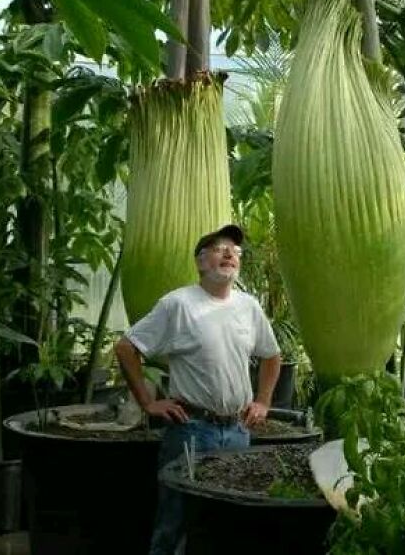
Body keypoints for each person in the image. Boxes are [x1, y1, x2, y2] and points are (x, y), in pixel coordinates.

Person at [114, 224, 282, 555]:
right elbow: (125, 348)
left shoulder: (248, 307)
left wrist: (263, 400)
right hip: (191, 430)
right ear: (201, 261)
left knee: (226, 522)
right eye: (220, 249)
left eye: (235, 251)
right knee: (175, 520)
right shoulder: (178, 304)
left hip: (237, 431)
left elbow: (272, 355)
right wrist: (148, 403)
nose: (229, 254)